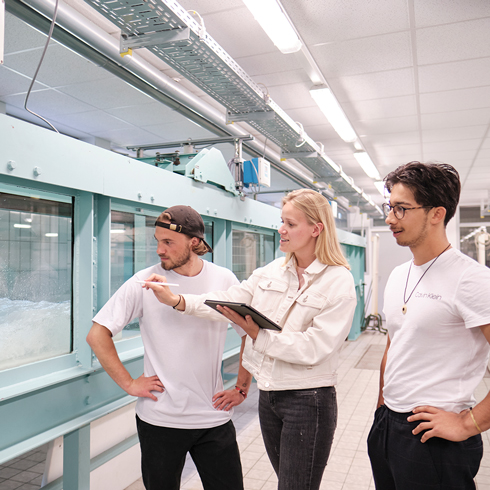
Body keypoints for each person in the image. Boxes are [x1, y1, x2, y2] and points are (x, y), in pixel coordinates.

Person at [143, 189, 357, 490]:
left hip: (308, 400)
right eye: (281, 221)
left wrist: (259, 335)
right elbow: (227, 300)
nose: (281, 229)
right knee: (289, 481)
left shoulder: (338, 281)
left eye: (290, 224)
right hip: (269, 396)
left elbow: (314, 348)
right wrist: (177, 299)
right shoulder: (273, 271)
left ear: (316, 229)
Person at [86, 205, 252, 490]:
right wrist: (128, 383)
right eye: (157, 241)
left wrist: (241, 387)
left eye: (168, 242)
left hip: (212, 417)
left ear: (194, 242)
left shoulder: (223, 279)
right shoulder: (144, 281)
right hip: (160, 419)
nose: (160, 250)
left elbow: (249, 332)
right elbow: (97, 334)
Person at [367, 161, 490, 489]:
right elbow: (394, 343)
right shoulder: (397, 276)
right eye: (390, 207)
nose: (390, 218)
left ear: (437, 213)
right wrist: (382, 407)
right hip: (388, 425)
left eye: (402, 209)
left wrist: (468, 424)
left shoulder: (471, 279)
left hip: (434, 437)